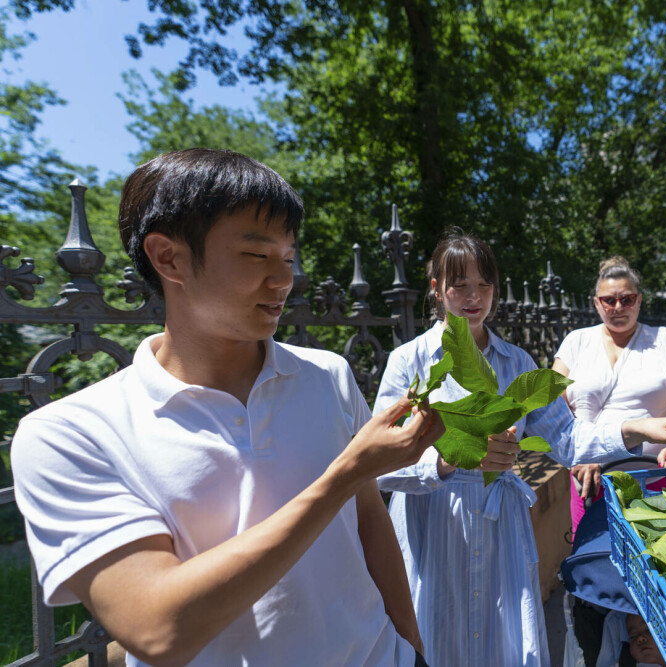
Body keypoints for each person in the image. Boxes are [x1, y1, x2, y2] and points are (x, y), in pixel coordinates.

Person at [11, 148, 444, 667]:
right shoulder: (70, 434)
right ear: (167, 257)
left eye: (288, 257)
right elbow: (158, 629)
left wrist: (413, 650)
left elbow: (371, 525)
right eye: (257, 256)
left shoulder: (327, 375)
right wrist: (342, 477)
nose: (283, 279)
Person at [375, 231, 666, 667]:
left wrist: (636, 427)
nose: (474, 296)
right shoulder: (410, 361)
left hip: (500, 530)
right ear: (437, 288)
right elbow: (381, 461)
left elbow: (569, 441)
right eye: (459, 284)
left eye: (484, 284)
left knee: (500, 643)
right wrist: (447, 460)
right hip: (437, 523)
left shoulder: (517, 363)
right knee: (439, 637)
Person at [553, 256, 666, 534]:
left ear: (639, 300)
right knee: (596, 561)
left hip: (660, 480)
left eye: (626, 299)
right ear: (596, 303)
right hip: (592, 485)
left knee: (660, 564)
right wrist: (578, 454)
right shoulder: (575, 343)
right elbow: (553, 411)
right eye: (609, 300)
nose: (618, 307)